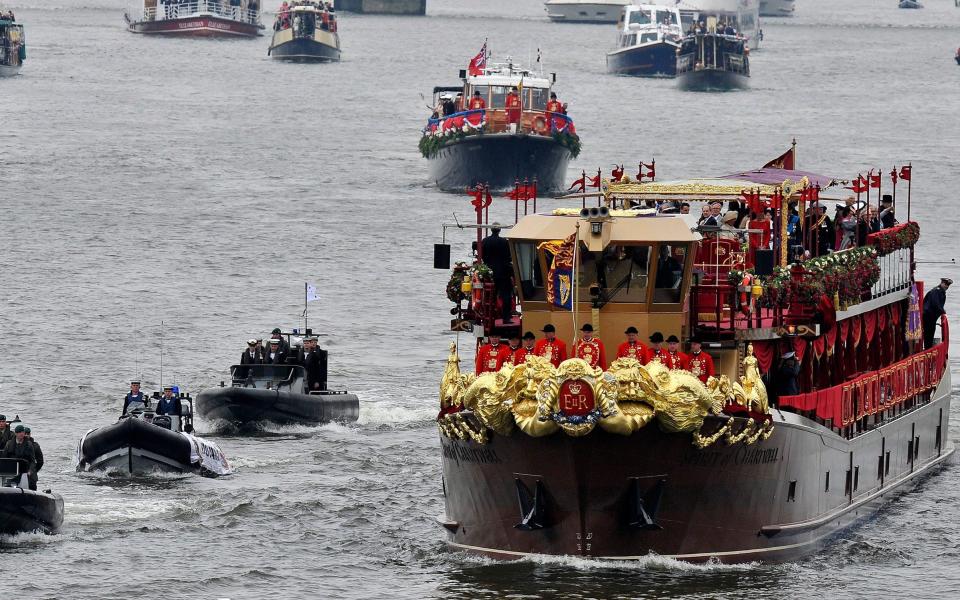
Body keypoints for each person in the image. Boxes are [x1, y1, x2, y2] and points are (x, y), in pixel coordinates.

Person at [481, 223, 515, 323]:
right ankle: (506, 318)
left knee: (490, 296)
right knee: (506, 296)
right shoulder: (504, 242)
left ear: (491, 230)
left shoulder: (485, 241)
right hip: (503, 273)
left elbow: (482, 255)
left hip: (489, 273)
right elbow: (509, 256)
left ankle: (489, 315)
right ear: (499, 230)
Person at [2, 425, 36, 490]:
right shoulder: (9, 444)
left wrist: (30, 471)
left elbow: (32, 461)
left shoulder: (29, 445)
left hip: (24, 471)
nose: (21, 434)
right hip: (11, 471)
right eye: (19, 432)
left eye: (22, 432)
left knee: (29, 485)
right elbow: (4, 458)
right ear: (16, 433)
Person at [923, 278, 952, 349]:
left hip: (932, 316)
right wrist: (942, 311)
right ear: (942, 283)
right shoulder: (936, 291)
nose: (947, 286)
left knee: (931, 332)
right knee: (928, 333)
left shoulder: (941, 291)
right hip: (928, 315)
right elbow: (935, 303)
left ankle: (928, 348)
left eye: (948, 285)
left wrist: (941, 310)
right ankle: (927, 349)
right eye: (945, 284)